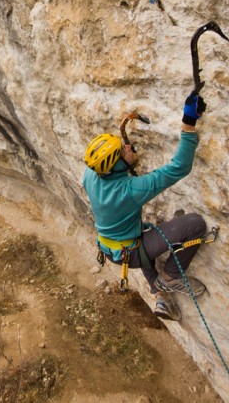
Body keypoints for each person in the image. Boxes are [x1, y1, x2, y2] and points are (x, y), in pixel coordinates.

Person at [83, 93, 209, 321]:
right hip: (131, 252)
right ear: (116, 165)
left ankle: (161, 297)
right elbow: (179, 167)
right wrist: (188, 122)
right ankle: (170, 278)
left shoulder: (91, 175)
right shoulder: (130, 190)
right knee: (194, 224)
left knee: (140, 246)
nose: (130, 148)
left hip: (111, 248)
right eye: (124, 150)